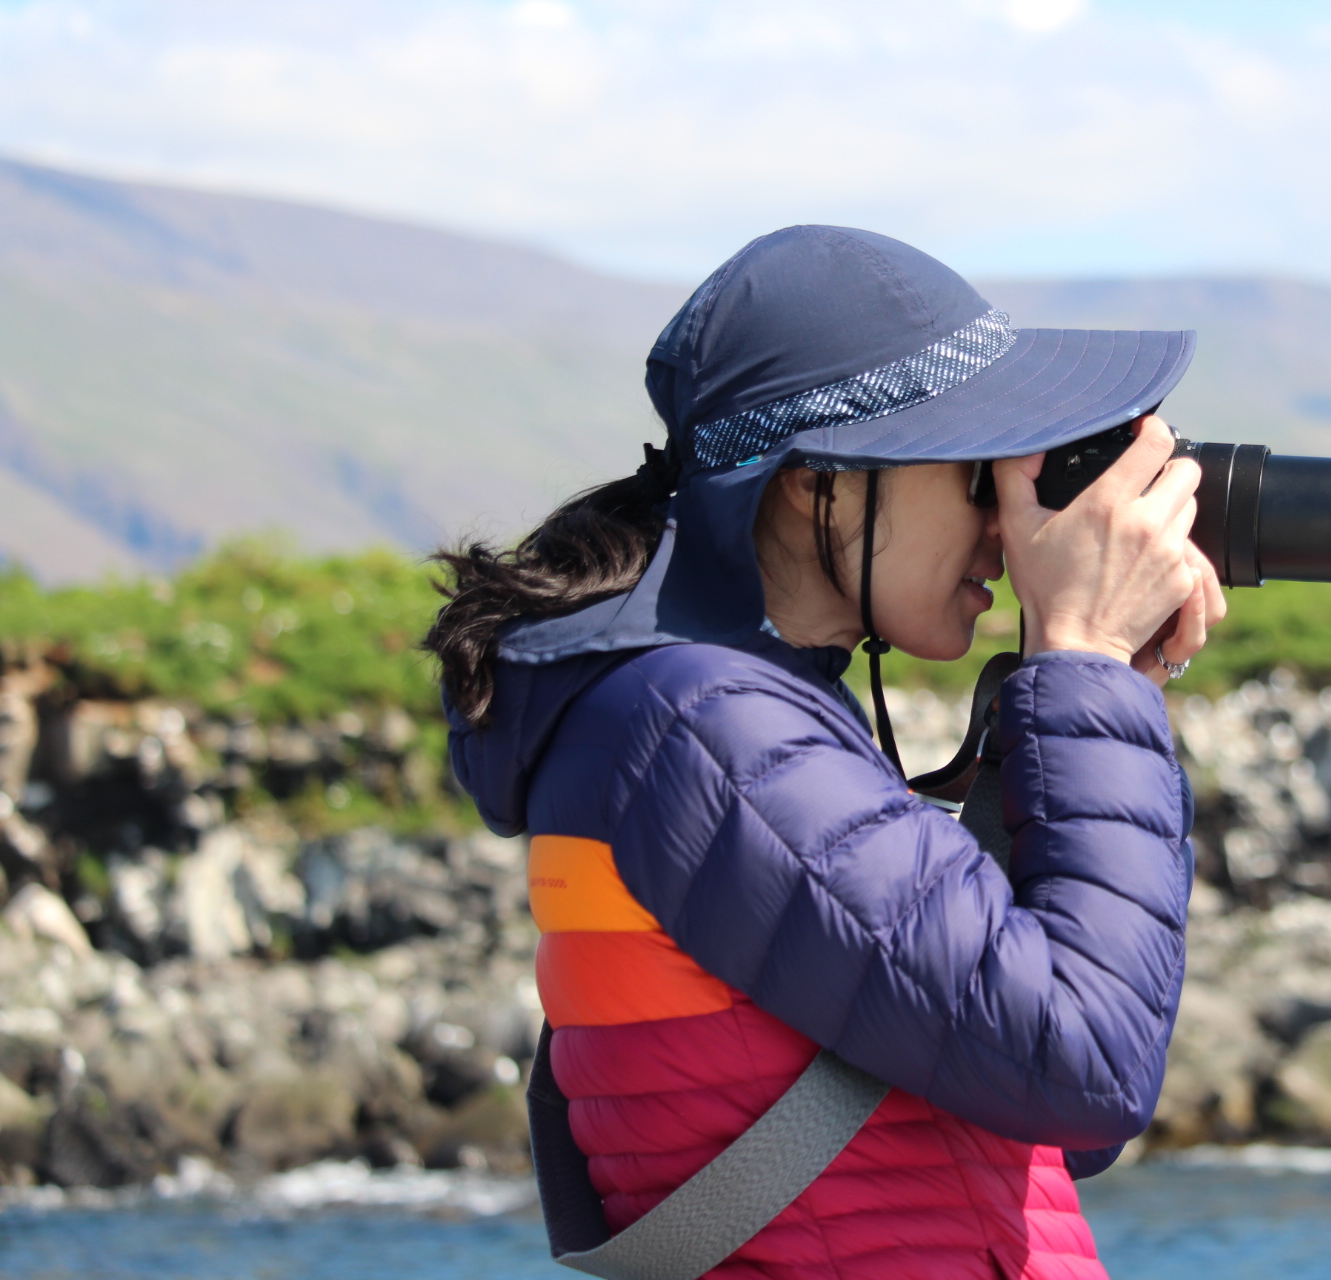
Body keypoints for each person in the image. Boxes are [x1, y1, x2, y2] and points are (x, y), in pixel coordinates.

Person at [426, 225, 1226, 1280]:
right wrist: (1082, 659)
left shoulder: (744, 718)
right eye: (980, 473)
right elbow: (1083, 1061)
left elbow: (1056, 1121)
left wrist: (1096, 682)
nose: (1009, 526)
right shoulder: (704, 730)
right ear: (820, 483)